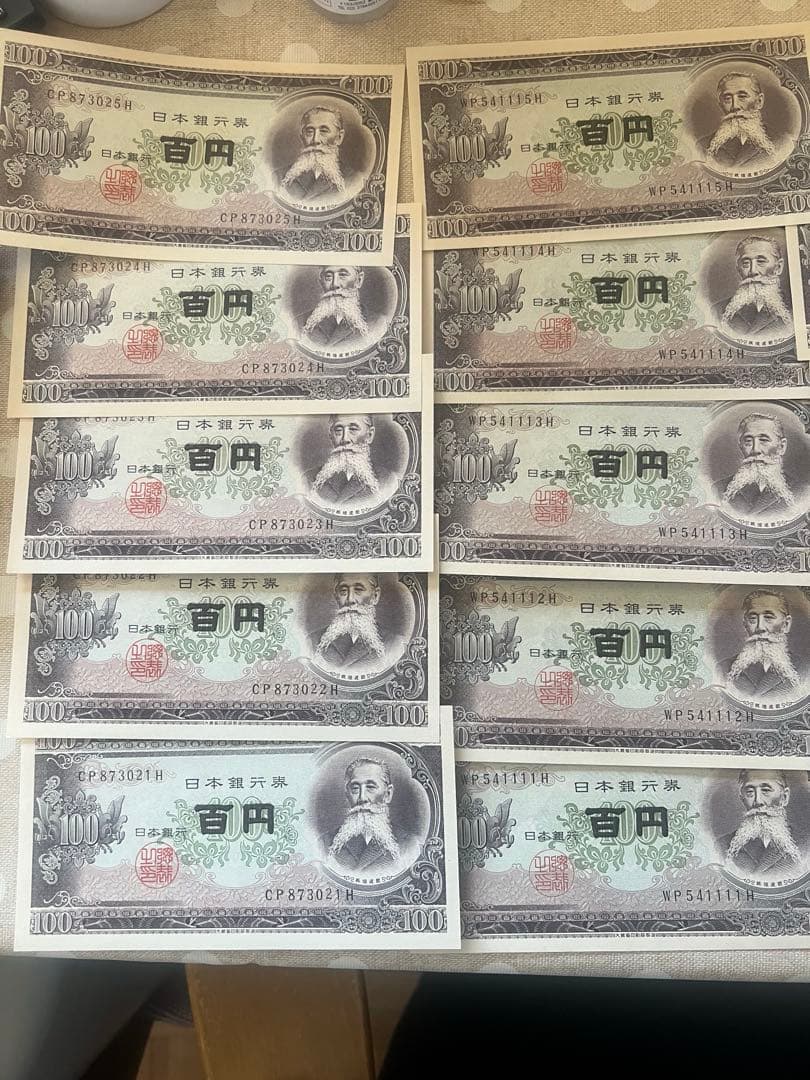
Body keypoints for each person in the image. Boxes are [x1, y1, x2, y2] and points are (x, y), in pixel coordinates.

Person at [325, 757, 418, 878]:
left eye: (370, 787)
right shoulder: (325, 843)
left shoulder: (409, 845)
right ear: (347, 794)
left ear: (388, 794)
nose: (362, 798)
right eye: (355, 788)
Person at [720, 589, 802, 699]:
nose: (760, 627)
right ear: (745, 624)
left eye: (768, 618)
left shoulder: (805, 669)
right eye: (752, 619)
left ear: (786, 624)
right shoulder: (723, 668)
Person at [717, 412, 802, 517]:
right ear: (741, 446)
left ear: (781, 447)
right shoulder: (719, 489)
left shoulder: (802, 491)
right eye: (748, 441)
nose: (755, 449)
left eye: (764, 440)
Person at [722, 770, 803, 877]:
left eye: (766, 790)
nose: (758, 801)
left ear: (784, 797)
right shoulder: (723, 845)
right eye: (750, 792)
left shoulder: (805, 844)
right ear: (742, 798)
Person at [307, 414, 398, 508]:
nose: (345, 439)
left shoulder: (387, 481)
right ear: (331, 435)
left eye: (353, 429)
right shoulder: (308, 480)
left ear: (369, 435)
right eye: (338, 430)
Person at [712, 235, 792, 342]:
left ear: (778, 267)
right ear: (738, 269)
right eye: (746, 263)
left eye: (761, 261)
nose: (753, 271)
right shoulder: (718, 311)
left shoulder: (797, 309)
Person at [310, 573, 392, 673]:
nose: (350, 599)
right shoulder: (313, 641)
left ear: (375, 596)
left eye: (358, 590)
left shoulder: (394, 643)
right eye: (343, 591)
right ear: (336, 595)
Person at [279, 105, 360, 203]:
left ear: (339, 137)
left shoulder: (354, 180)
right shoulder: (279, 177)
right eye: (309, 131)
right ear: (302, 137)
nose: (315, 140)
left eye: (324, 131)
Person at [699, 72, 780, 170]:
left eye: (742, 97)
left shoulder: (782, 142)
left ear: (759, 101)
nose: (735, 106)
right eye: (727, 98)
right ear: (720, 105)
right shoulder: (703, 146)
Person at [299, 265, 387, 350]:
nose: (335, 284)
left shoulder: (378, 324)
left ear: (359, 280)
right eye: (328, 276)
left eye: (343, 275)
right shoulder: (299, 323)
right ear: (321, 281)